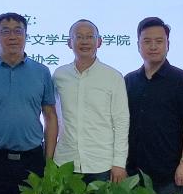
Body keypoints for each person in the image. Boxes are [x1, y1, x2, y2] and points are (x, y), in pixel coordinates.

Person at [0, 13, 58, 194]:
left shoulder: (42, 72)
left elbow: (50, 116)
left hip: (32, 159)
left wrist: (48, 162)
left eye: (18, 31)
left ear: (26, 35)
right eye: (5, 32)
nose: (12, 37)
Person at [125, 17, 183, 194]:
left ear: (168, 45)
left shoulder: (181, 79)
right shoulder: (129, 80)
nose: (153, 46)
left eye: (159, 41)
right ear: (138, 45)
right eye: (147, 41)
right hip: (133, 173)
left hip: (169, 174)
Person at [52, 19, 129, 184]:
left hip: (101, 164)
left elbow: (121, 121)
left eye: (89, 37)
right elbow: (53, 117)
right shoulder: (59, 75)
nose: (84, 41)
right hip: (65, 162)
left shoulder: (113, 77)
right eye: (79, 37)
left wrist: (119, 163)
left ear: (99, 42)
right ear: (69, 43)